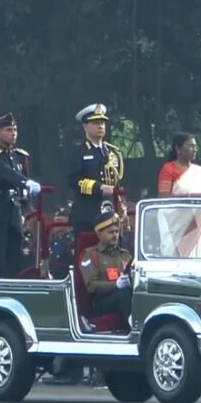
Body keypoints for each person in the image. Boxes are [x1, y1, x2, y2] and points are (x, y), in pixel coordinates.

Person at [0, 113, 40, 278]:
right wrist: (25, 182)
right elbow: (4, 173)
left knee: (15, 255)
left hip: (15, 210)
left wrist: (27, 208)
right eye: (8, 130)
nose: (13, 133)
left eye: (15, 129)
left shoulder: (20, 156)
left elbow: (25, 184)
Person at [67, 104, 123, 240]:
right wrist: (98, 187)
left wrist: (121, 204)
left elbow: (117, 180)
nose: (101, 126)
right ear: (85, 126)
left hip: (110, 211)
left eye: (103, 123)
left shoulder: (112, 152)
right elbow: (73, 180)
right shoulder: (78, 151)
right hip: (87, 212)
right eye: (96, 123)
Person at [79, 211, 133, 320]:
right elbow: (91, 286)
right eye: (110, 232)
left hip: (124, 296)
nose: (115, 236)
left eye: (117, 232)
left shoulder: (125, 255)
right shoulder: (90, 255)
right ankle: (133, 324)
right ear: (99, 234)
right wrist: (116, 285)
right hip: (101, 302)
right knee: (124, 294)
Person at [157, 132, 201, 198]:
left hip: (199, 208)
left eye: (195, 146)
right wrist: (190, 196)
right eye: (191, 146)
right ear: (178, 149)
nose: (195, 150)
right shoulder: (169, 169)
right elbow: (163, 196)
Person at [49, 202, 75, 280]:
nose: (56, 223)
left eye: (59, 221)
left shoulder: (71, 242)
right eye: (55, 221)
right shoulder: (52, 241)